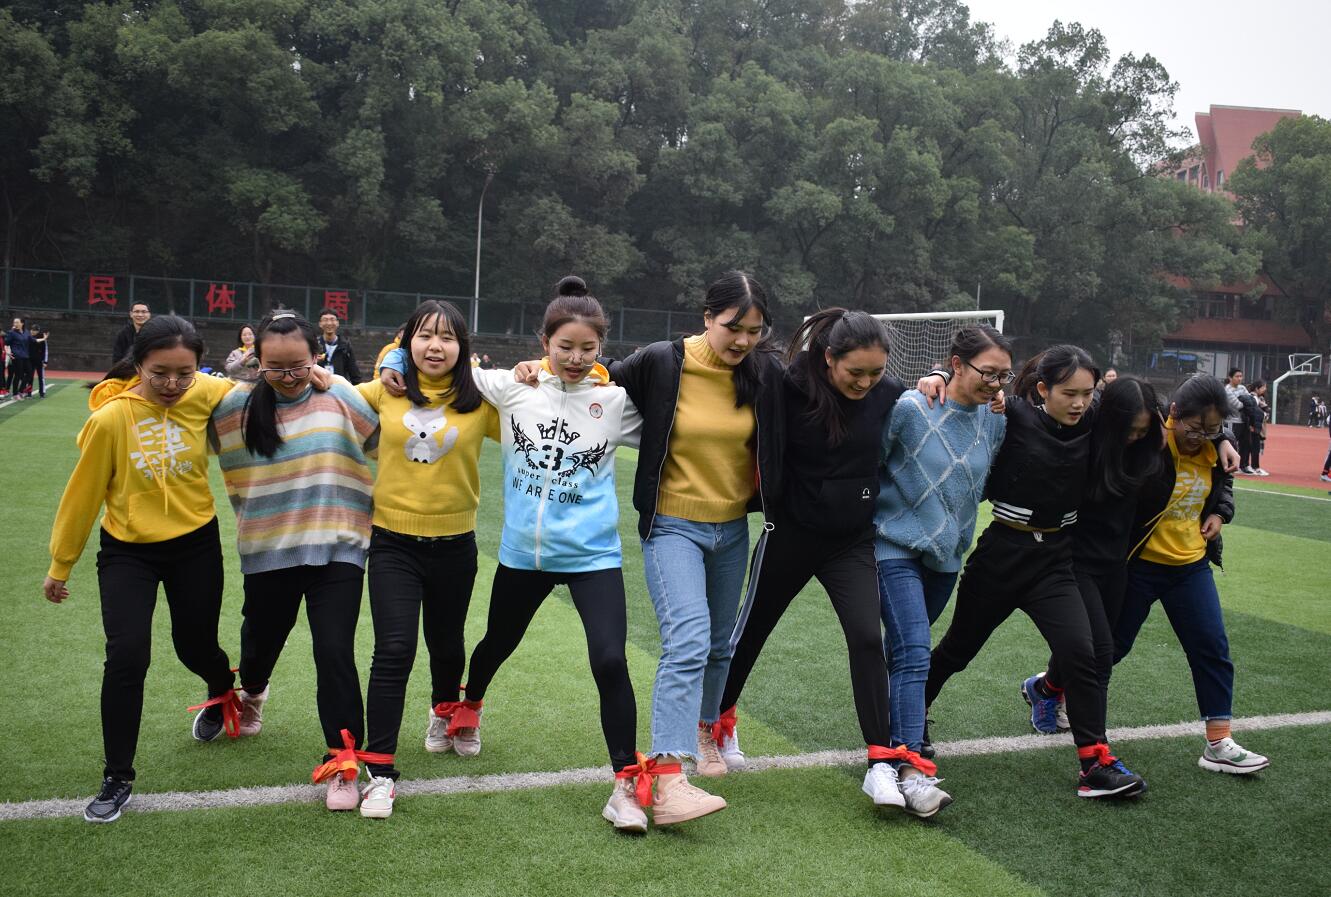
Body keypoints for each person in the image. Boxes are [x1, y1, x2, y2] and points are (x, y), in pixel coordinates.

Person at [488, 271, 784, 822]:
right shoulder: (663, 360)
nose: (743, 340)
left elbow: (818, 391)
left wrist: (933, 378)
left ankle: (707, 727)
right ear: (707, 318)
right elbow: (594, 376)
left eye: (755, 330)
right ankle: (668, 775)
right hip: (672, 523)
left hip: (731, 528)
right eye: (733, 327)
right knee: (687, 640)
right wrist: (538, 368)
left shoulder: (764, 372)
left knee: (720, 646)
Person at [456, 276, 649, 831]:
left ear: (601, 347)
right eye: (565, 346)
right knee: (496, 643)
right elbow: (444, 366)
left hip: (593, 556)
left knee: (610, 660)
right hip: (524, 555)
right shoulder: (513, 388)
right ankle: (469, 704)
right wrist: (398, 359)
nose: (576, 358)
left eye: (588, 348)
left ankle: (624, 784)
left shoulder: (615, 402)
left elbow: (677, 416)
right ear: (545, 342)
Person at [719, 309, 923, 812]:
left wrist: (936, 377)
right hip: (789, 535)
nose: (866, 382)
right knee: (750, 633)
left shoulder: (888, 394)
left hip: (850, 543)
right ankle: (719, 721)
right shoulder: (787, 387)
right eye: (856, 372)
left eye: (876, 372)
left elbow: (924, 402)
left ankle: (879, 763)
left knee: (866, 638)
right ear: (829, 357)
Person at [925, 345, 1146, 799]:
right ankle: (910, 719)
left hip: (1056, 560)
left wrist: (1222, 438)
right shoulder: (1011, 415)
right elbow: (966, 392)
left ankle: (1095, 764)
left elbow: (1149, 418)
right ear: (1043, 389)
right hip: (1003, 555)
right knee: (957, 650)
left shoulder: (1096, 423)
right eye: (1069, 393)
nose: (1080, 403)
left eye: (1088, 393)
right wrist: (938, 376)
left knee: (1082, 653)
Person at [44, 316, 240, 824]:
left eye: (184, 374)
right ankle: (117, 775)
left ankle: (222, 690)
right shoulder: (110, 420)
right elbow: (83, 495)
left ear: (198, 369)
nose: (173, 384)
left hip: (196, 543)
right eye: (160, 373)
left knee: (195, 645)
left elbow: (254, 389)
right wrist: (61, 563)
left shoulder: (205, 392)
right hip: (128, 551)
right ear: (138, 365)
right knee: (127, 656)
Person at [211, 311, 382, 812]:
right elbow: (177, 397)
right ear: (256, 362)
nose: (288, 377)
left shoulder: (340, 394)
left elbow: (386, 440)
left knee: (334, 652)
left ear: (317, 358)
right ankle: (253, 691)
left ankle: (344, 759)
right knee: (259, 642)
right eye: (275, 368)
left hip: (338, 547)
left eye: (299, 366)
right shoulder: (233, 406)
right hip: (268, 549)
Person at [354, 300, 499, 819]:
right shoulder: (382, 392)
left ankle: (444, 710)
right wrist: (387, 364)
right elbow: (327, 393)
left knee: (446, 642)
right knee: (393, 649)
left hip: (456, 544)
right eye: (424, 336)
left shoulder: (481, 400)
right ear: (406, 342)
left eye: (447, 337)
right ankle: (379, 771)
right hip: (392, 542)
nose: (435, 346)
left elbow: (540, 408)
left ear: (463, 346)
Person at [873, 325, 1010, 814]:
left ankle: (885, 729)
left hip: (947, 557)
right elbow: (871, 461)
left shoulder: (995, 420)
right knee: (914, 651)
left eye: (1004, 376)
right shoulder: (913, 408)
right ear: (956, 364)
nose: (996, 384)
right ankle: (911, 768)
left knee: (902, 651)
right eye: (988, 373)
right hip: (893, 546)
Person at [1114, 374, 1270, 775]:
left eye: (1212, 429)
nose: (1200, 437)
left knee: (1211, 647)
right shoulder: (1148, 443)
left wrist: (1219, 512)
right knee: (1110, 647)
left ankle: (1218, 742)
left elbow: (1223, 484)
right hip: (1139, 564)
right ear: (1173, 413)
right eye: (1195, 428)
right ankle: (1048, 687)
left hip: (1190, 566)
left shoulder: (1215, 447)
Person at [317, 308, 362, 384]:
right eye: (325, 320)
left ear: (337, 323)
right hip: (318, 386)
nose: (329, 323)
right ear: (320, 324)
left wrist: (358, 389)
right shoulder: (314, 345)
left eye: (332, 319)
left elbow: (354, 373)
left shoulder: (345, 346)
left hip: (339, 387)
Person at [1238, 380, 1268, 476]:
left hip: (1258, 426)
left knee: (1254, 447)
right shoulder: (1252, 398)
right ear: (1256, 388)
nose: (1265, 389)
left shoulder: (1260, 398)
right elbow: (1251, 413)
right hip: (1253, 426)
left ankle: (1252, 466)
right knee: (1252, 447)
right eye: (1263, 387)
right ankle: (1251, 466)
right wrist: (1251, 425)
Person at [6, 317, 31, 399]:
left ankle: (21, 390)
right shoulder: (12, 332)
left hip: (25, 356)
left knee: (29, 373)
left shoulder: (26, 332)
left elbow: (31, 340)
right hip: (16, 356)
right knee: (18, 375)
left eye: (17, 322)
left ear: (22, 323)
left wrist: (42, 339)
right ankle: (15, 394)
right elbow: (6, 342)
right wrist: (8, 352)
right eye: (14, 322)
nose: (15, 324)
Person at [29, 326, 48, 397]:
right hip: (30, 361)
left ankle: (42, 392)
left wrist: (45, 361)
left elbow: (45, 350)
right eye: (31, 330)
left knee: (41, 377)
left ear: (37, 331)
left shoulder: (42, 337)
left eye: (34, 330)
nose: (32, 331)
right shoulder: (29, 337)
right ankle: (28, 393)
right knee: (30, 377)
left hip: (40, 361)